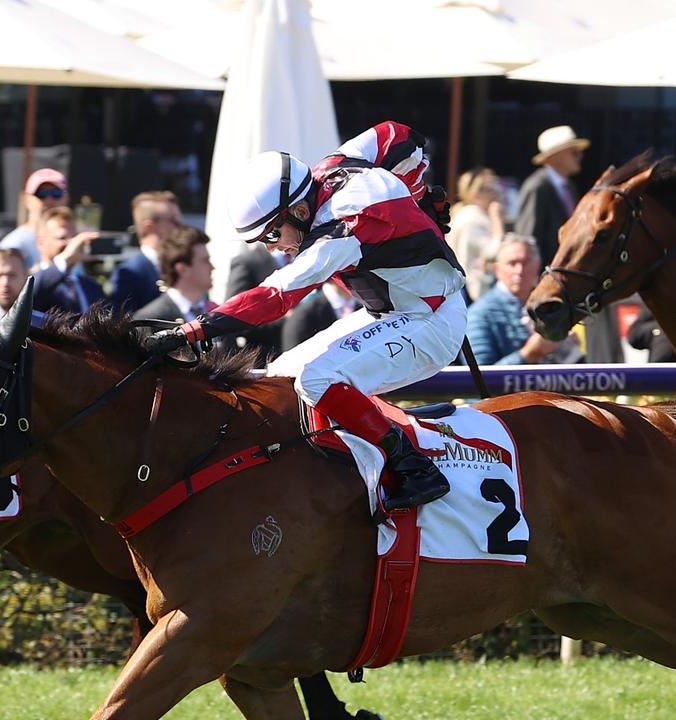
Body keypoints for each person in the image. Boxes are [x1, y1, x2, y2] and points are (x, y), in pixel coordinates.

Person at [147, 132, 466, 515]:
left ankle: (413, 467)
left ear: (298, 212)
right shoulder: (332, 166)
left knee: (316, 380)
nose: (271, 248)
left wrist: (192, 330)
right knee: (276, 379)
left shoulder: (339, 231)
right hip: (395, 310)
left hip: (429, 322)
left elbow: (272, 299)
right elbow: (396, 135)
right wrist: (416, 191)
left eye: (270, 234)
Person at [466, 234, 580, 365]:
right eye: (512, 263)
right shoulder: (479, 314)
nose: (519, 271)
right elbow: (477, 377)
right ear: (497, 269)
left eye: (525, 262)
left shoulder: (552, 305)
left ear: (538, 266)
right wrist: (529, 353)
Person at [516, 125, 589, 268]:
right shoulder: (537, 187)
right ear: (555, 156)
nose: (580, 156)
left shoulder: (570, 187)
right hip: (545, 275)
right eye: (574, 152)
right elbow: (528, 239)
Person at [110, 191, 183, 313]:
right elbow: (124, 325)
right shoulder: (130, 273)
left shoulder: (183, 266)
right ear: (149, 227)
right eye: (174, 221)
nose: (181, 226)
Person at [31, 206, 106, 314]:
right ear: (41, 243)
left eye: (75, 237)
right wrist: (64, 259)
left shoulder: (92, 286)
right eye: (62, 238)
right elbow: (32, 295)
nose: (72, 244)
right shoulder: (31, 280)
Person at [133, 226, 214, 323]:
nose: (212, 267)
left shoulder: (217, 313)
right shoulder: (149, 319)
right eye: (205, 261)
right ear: (182, 269)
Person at [446, 167, 505, 301]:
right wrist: (497, 218)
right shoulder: (472, 218)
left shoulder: (473, 215)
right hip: (473, 290)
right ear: (475, 193)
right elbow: (493, 253)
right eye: (490, 188)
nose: (497, 192)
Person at [0, 168, 68, 269]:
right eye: (41, 194)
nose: (49, 200)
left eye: (56, 193)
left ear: (67, 198)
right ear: (26, 200)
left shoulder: (74, 240)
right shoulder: (12, 245)